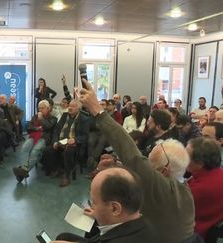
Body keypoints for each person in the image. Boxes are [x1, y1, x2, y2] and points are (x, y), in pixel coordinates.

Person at [78, 81, 196, 243]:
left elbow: (131, 154)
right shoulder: (183, 191)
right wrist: (117, 166)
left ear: (164, 171)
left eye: (150, 165)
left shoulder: (163, 189)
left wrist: (98, 111)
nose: (146, 164)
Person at [53, 167, 156, 243]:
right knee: (64, 237)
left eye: (93, 202)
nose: (91, 207)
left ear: (114, 208)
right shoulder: (145, 226)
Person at [42, 100, 90, 187]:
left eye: (73, 106)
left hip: (73, 143)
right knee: (47, 151)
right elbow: (56, 130)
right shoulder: (64, 116)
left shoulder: (84, 119)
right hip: (61, 141)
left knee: (68, 151)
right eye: (70, 106)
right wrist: (55, 141)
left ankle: (66, 176)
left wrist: (75, 139)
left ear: (79, 108)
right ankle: (56, 168)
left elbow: (85, 136)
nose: (70, 108)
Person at [186, 137, 223, 239]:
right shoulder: (219, 172)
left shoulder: (198, 189)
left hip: (197, 234)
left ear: (200, 164)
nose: (182, 157)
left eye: (186, 156)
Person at [12, 100, 57, 183]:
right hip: (33, 136)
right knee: (25, 147)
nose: (40, 110)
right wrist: (36, 128)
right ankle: (24, 168)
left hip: (44, 138)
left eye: (42, 108)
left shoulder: (53, 118)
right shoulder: (34, 117)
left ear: (48, 108)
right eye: (39, 108)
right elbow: (28, 127)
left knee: (35, 151)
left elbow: (48, 126)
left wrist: (41, 119)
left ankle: (23, 172)